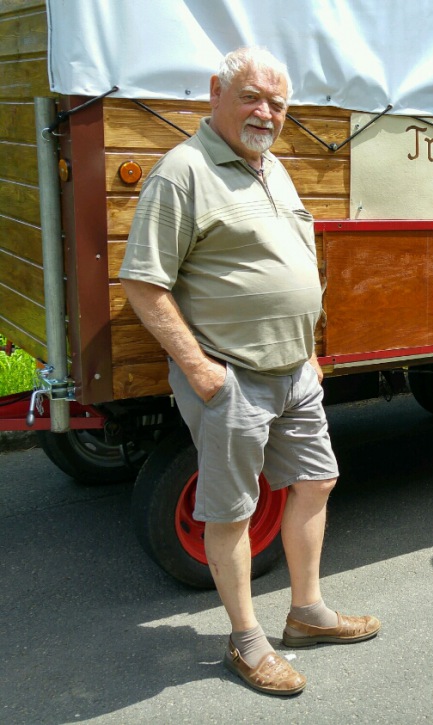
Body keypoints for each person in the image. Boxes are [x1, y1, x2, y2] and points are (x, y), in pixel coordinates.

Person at [120, 47, 380, 695]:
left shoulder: (272, 168)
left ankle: (307, 612)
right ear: (217, 92)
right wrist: (203, 372)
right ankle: (246, 639)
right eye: (253, 96)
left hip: (294, 370)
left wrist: (310, 351)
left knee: (317, 479)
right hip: (231, 376)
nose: (267, 111)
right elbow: (144, 284)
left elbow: (292, 265)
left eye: (279, 103)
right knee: (233, 510)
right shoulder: (182, 173)